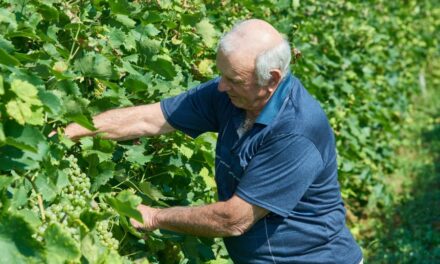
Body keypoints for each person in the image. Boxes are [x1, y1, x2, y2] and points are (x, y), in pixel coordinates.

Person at [63, 19, 363, 263]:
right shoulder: (232, 95)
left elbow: (234, 219)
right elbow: (150, 119)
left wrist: (155, 216)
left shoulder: (296, 131)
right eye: (222, 74)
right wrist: (76, 129)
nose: (220, 86)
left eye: (233, 79)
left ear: (271, 79)